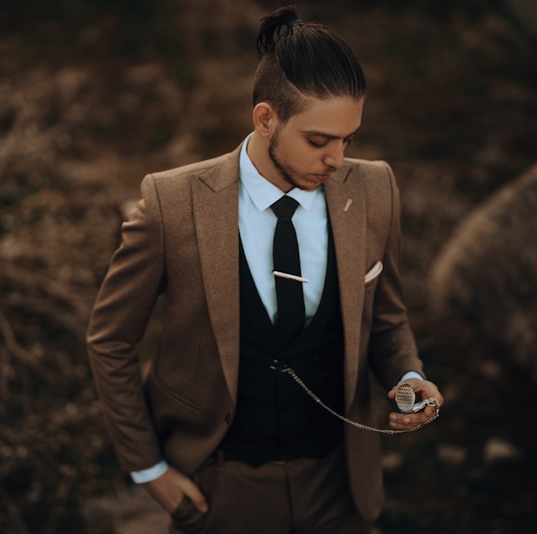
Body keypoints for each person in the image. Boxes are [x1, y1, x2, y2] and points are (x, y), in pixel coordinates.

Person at [86, 5, 443, 533]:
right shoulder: (171, 203)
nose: (337, 160)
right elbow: (109, 341)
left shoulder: (374, 188)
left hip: (339, 486)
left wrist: (411, 379)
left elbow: (387, 320)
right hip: (221, 489)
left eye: (349, 139)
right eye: (319, 141)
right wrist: (148, 469)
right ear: (265, 118)